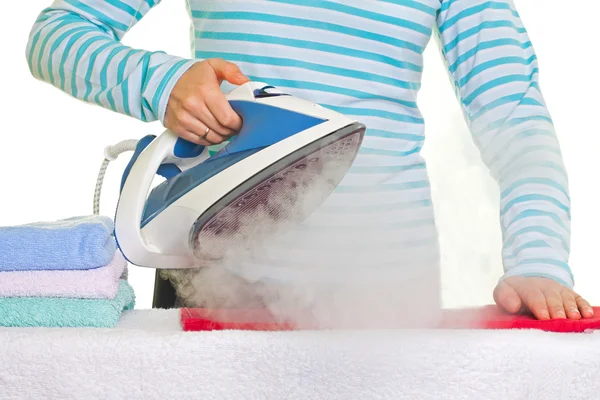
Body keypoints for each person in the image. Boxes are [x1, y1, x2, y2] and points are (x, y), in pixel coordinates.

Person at [25, 0, 593, 320]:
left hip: (383, 294)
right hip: (222, 286)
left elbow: (514, 117)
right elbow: (57, 33)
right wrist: (164, 81)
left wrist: (538, 260)